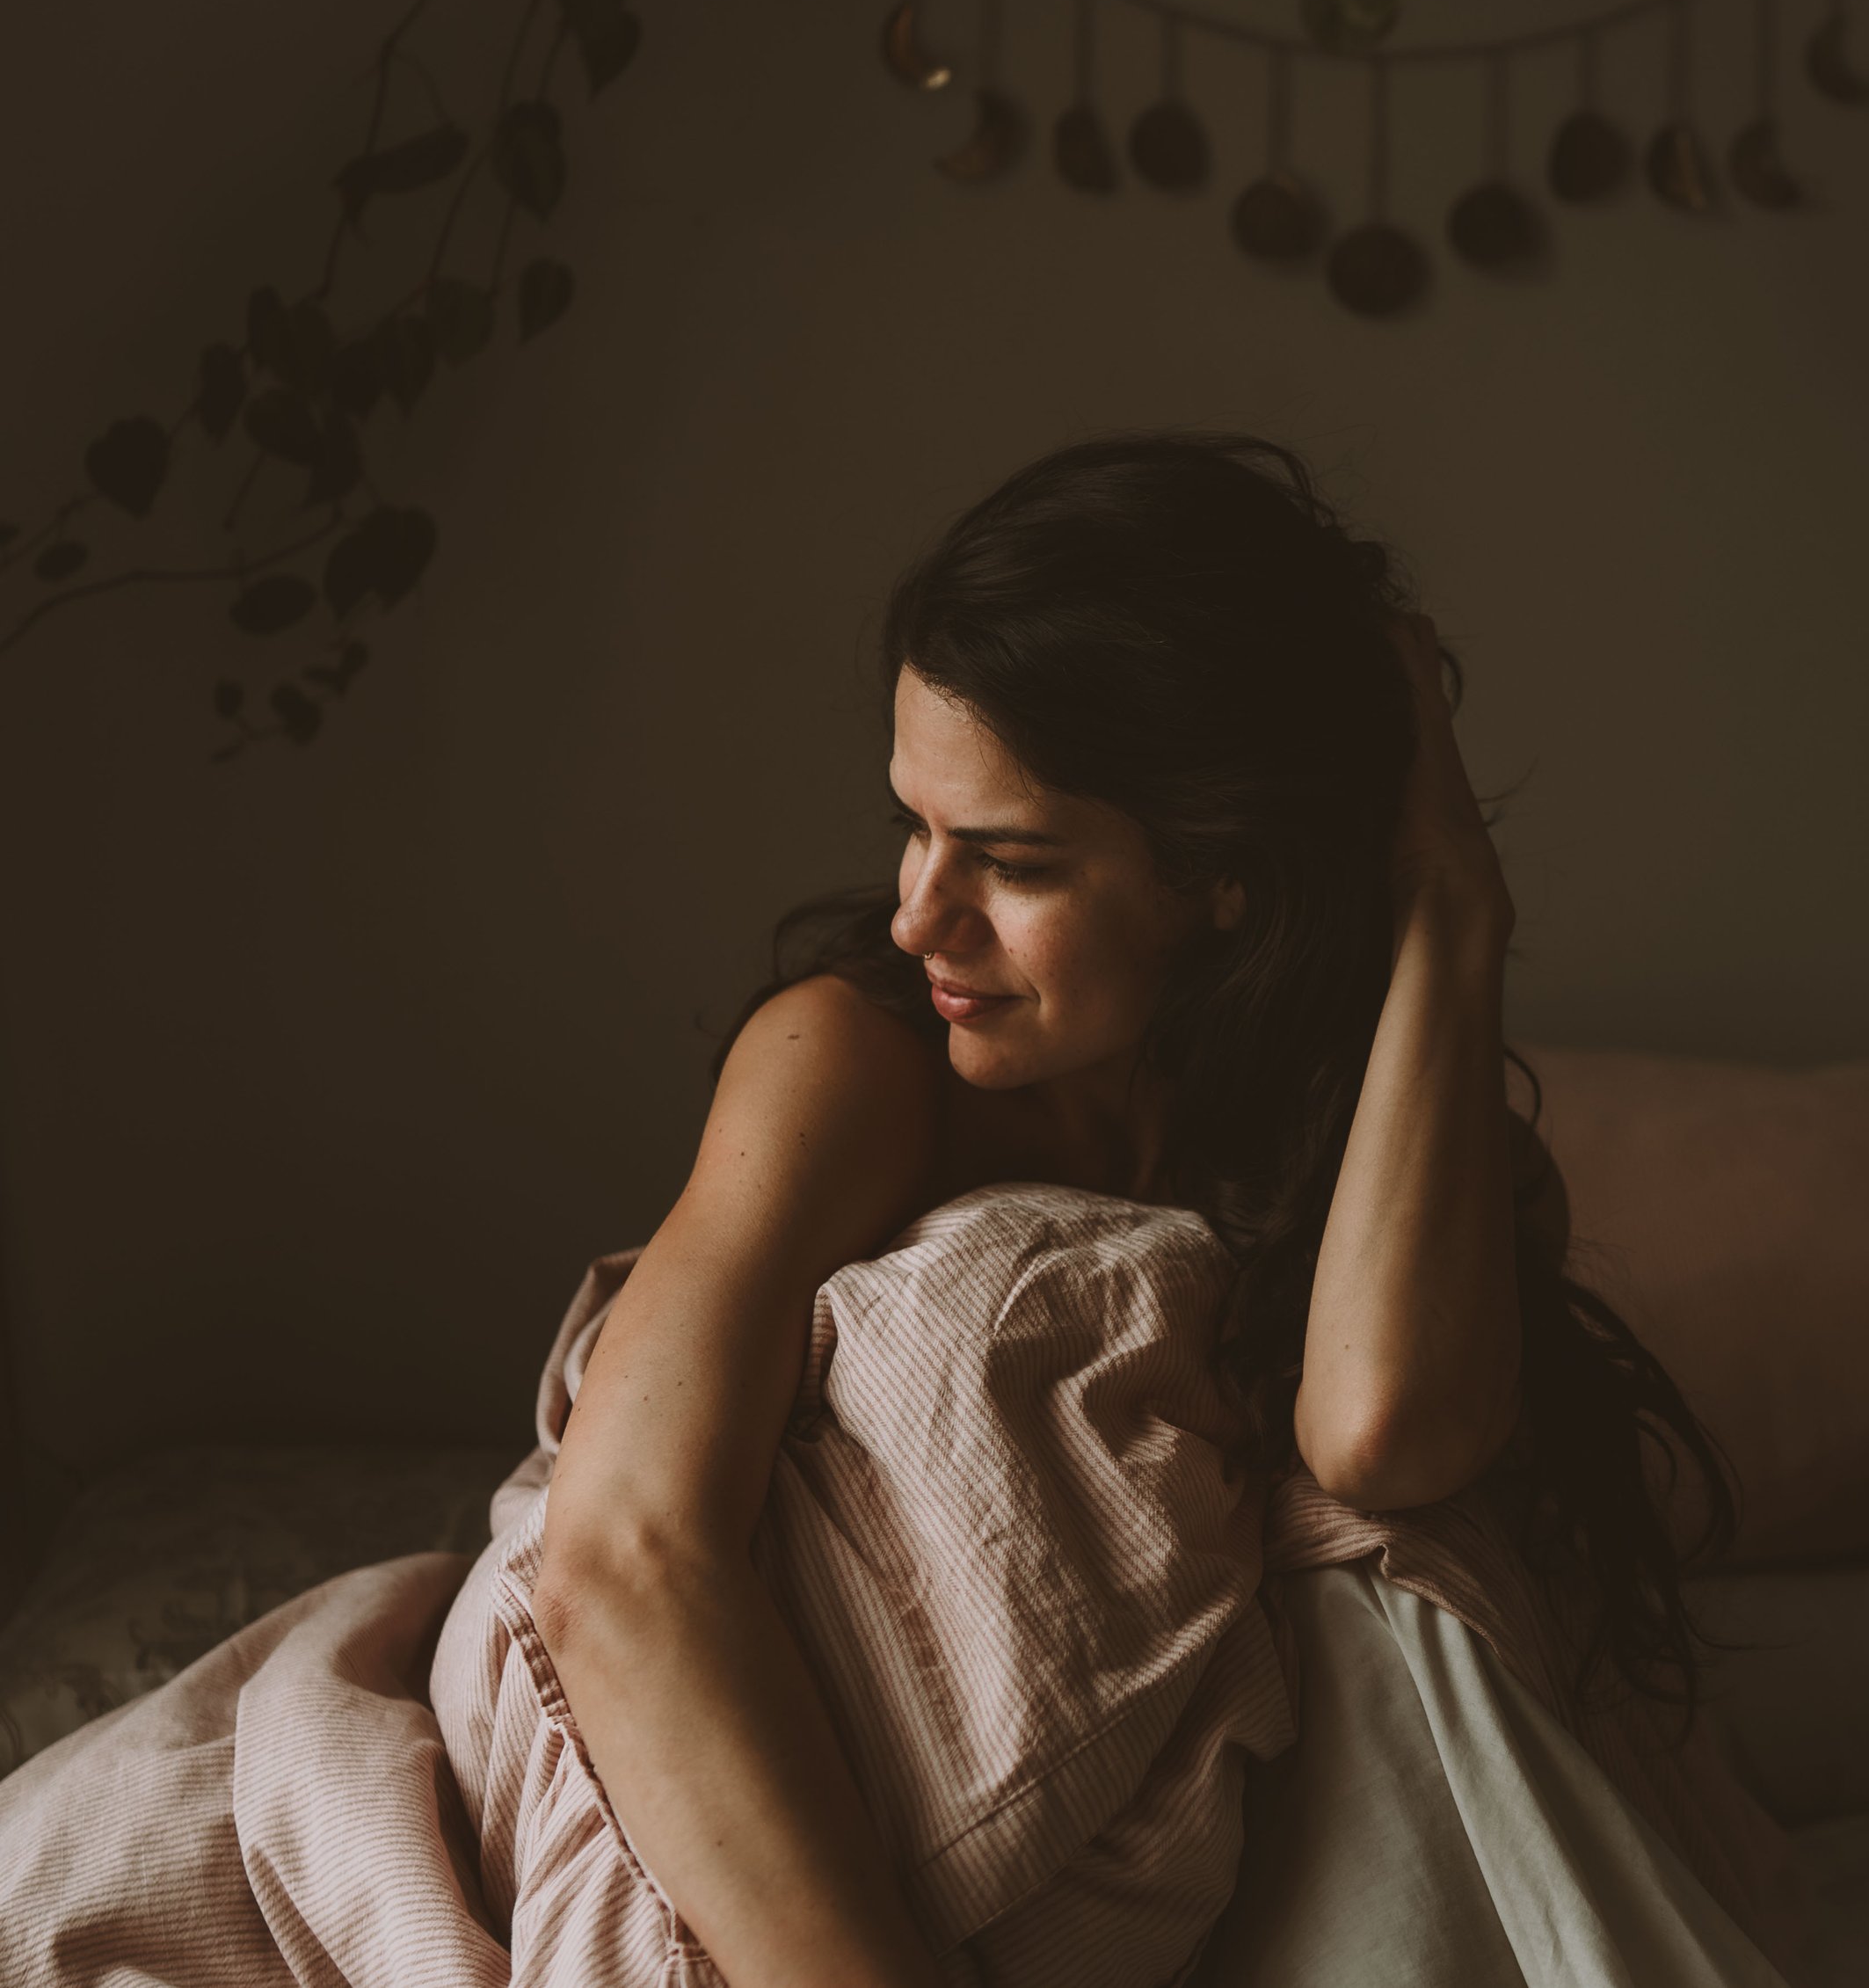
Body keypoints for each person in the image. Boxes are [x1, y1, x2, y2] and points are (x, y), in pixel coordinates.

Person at [529, 429, 1756, 1988]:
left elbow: (1385, 1444)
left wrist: (1453, 905)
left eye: (1011, 861)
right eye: (913, 828)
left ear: (1221, 876)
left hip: (1236, 1860)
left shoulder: (1379, 1126)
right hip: (804, 1853)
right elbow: (621, 1556)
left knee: (1384, 1584)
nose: (917, 916)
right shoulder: (852, 1060)